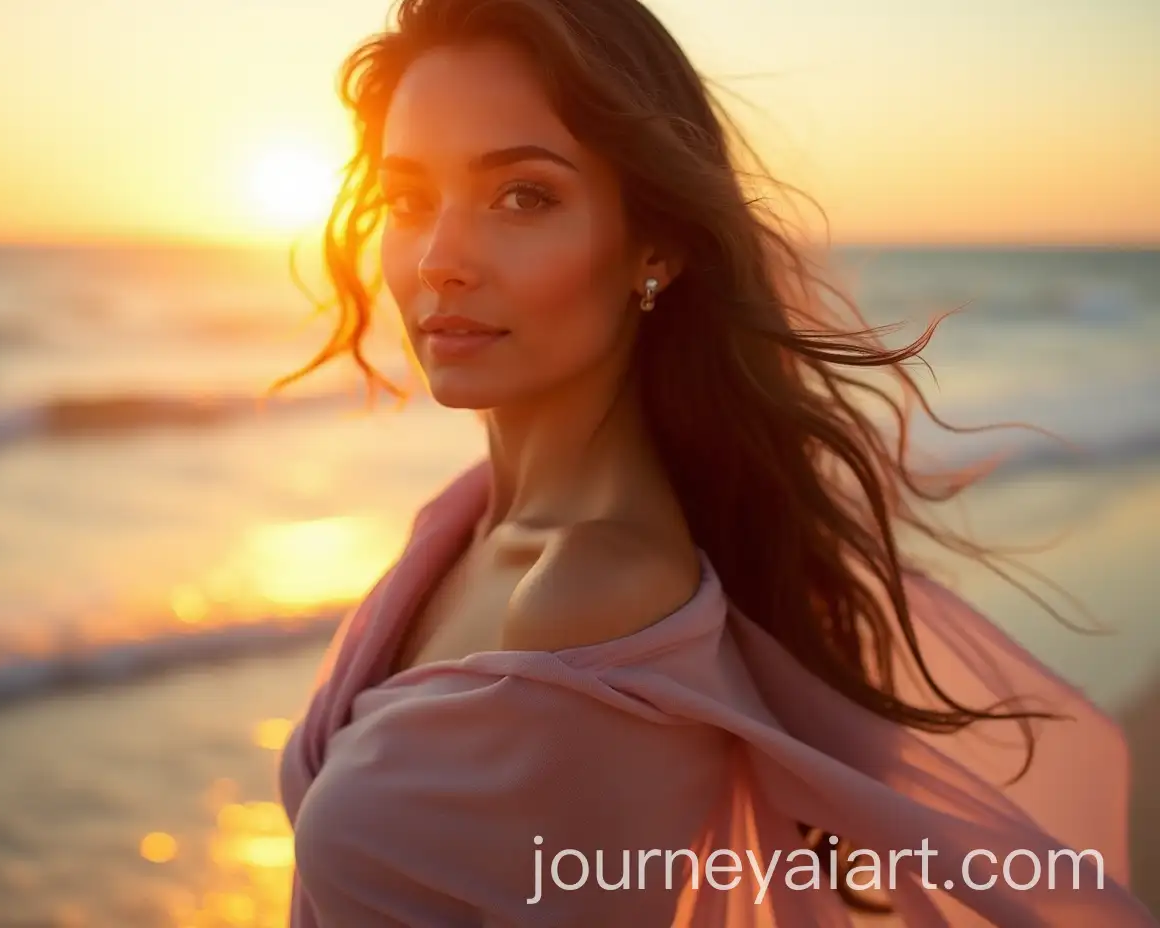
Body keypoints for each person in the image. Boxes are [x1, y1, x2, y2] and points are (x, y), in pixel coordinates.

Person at [273, 0, 1156, 924]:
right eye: (408, 199)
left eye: (523, 196)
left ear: (654, 247)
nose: (440, 259)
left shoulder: (593, 595)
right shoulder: (464, 520)